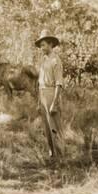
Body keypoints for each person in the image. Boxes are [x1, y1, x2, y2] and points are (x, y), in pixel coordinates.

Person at [35, 29, 64, 161]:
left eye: (44, 45)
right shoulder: (44, 60)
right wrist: (38, 101)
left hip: (52, 94)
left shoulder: (55, 61)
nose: (42, 48)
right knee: (46, 127)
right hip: (43, 94)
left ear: (51, 45)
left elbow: (59, 83)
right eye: (41, 46)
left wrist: (54, 102)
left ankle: (61, 156)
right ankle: (52, 154)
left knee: (55, 127)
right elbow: (40, 81)